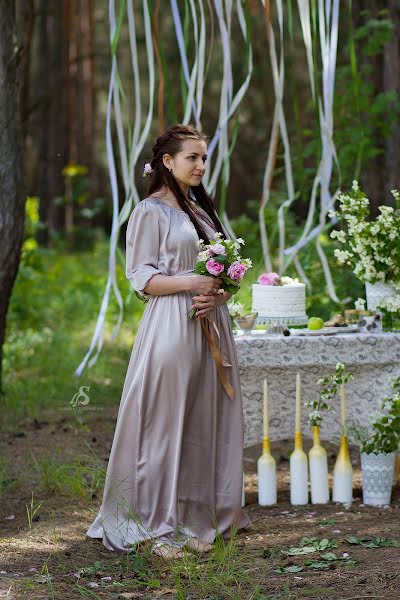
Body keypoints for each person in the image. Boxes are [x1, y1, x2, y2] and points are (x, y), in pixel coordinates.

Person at [87, 124, 251, 559]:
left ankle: (195, 515)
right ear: (167, 161)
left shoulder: (201, 211)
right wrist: (190, 281)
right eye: (192, 158)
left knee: (202, 422)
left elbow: (222, 274)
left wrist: (218, 291)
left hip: (210, 324)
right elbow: (141, 277)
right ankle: (150, 522)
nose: (200, 165)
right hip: (172, 327)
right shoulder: (150, 212)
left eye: (203, 158)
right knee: (164, 423)